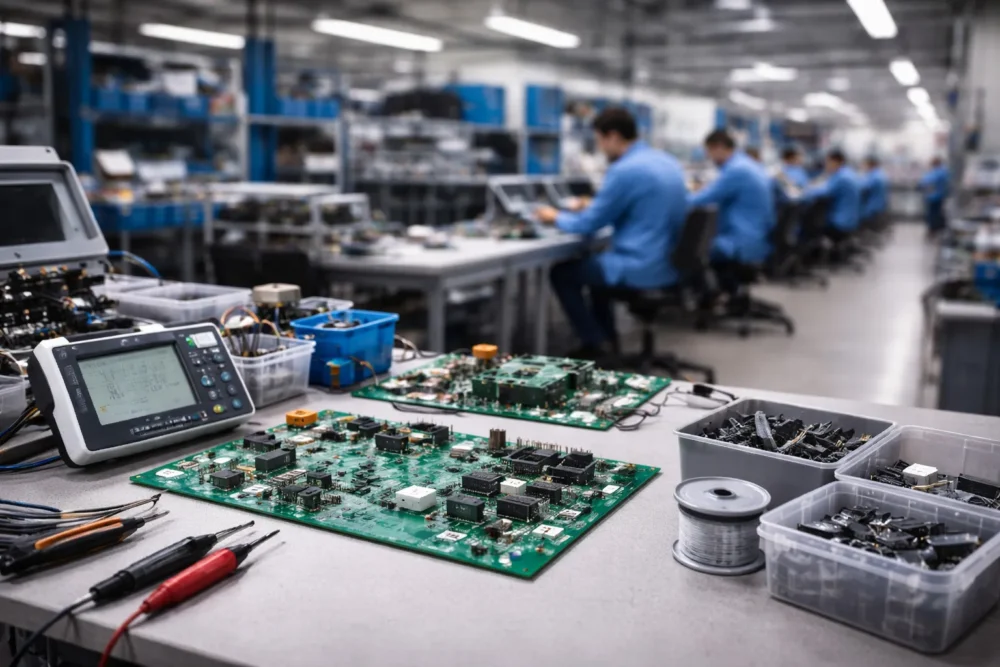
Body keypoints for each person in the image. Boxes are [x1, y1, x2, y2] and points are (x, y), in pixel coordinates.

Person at [535, 107, 687, 357]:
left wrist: (555, 216)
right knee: (597, 272)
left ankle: (595, 342)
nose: (601, 149)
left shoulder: (625, 169)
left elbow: (587, 225)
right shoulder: (666, 161)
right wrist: (594, 205)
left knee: (562, 273)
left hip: (641, 265)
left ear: (613, 137)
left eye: (600, 141)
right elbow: (640, 204)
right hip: (669, 263)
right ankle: (607, 340)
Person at [687, 130, 775, 271]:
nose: (708, 156)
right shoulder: (747, 164)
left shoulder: (737, 170)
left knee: (686, 246)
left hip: (740, 241)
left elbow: (704, 198)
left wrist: (675, 200)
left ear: (720, 147)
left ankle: (704, 290)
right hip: (758, 237)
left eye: (709, 151)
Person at [803, 149, 861, 240]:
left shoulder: (841, 176)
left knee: (808, 225)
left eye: (827, 162)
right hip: (850, 221)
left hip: (840, 223)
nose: (825, 165)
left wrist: (804, 189)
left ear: (835, 161)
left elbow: (823, 192)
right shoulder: (848, 173)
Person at [919, 157, 950, 235]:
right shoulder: (944, 172)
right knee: (938, 213)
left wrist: (922, 184)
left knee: (932, 214)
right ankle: (936, 228)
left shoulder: (936, 172)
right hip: (940, 196)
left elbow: (925, 182)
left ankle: (933, 229)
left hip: (933, 197)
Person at [860, 156, 889, 224]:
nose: (863, 166)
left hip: (872, 206)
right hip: (880, 204)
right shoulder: (880, 174)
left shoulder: (873, 176)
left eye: (865, 164)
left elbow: (863, 189)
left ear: (870, 164)